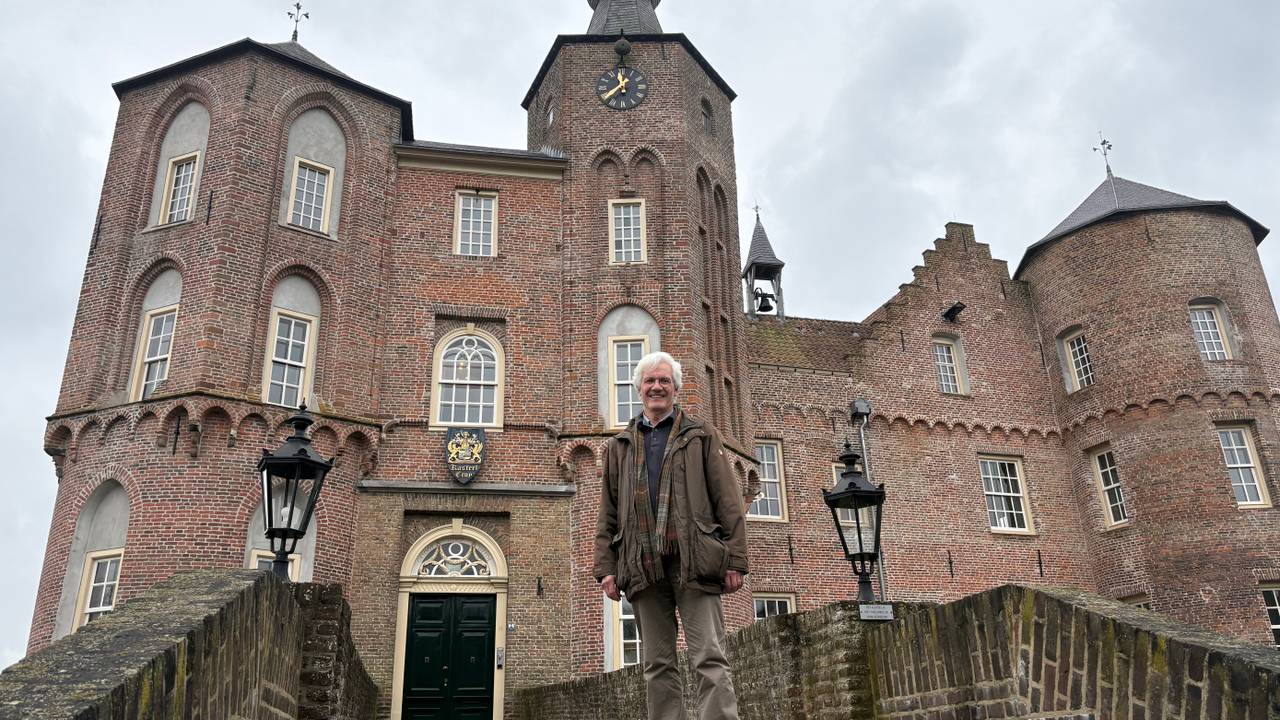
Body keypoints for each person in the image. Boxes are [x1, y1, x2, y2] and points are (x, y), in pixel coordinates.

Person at [594, 351, 748, 720]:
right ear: (639, 390)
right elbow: (608, 513)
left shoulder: (701, 436)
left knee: (709, 656)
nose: (657, 387)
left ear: (676, 389)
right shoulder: (619, 447)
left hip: (696, 559)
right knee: (657, 664)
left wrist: (736, 558)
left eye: (664, 381)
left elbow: (728, 499)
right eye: (650, 381)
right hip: (642, 566)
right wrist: (606, 568)